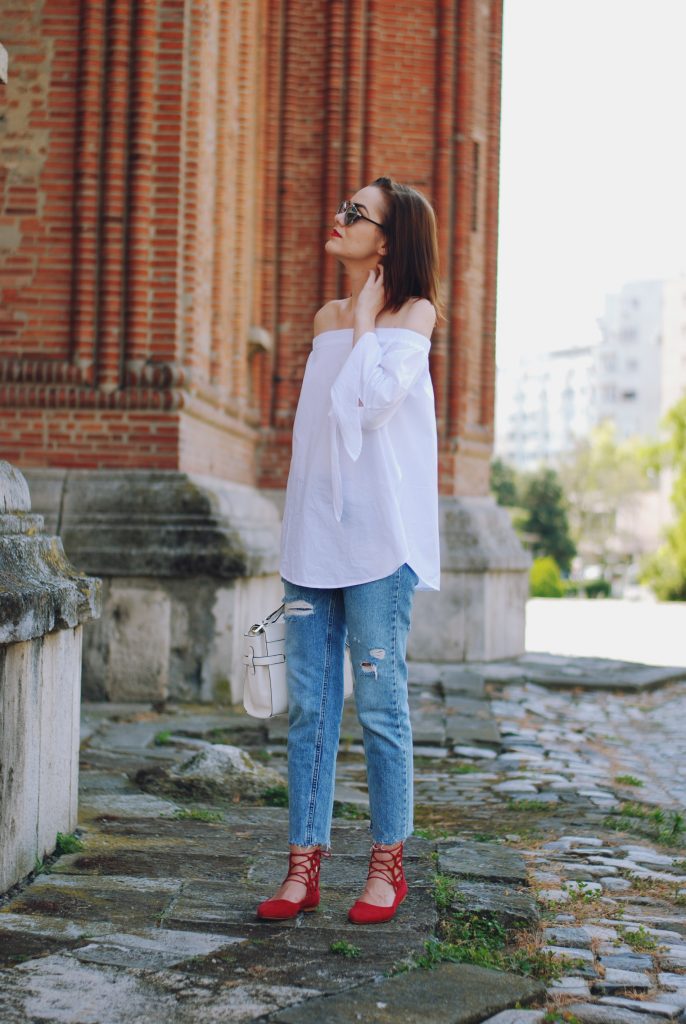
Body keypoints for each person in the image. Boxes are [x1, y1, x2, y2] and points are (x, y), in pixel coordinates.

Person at [256, 175, 442, 925]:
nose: (338, 219)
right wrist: (293, 526)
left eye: (354, 214)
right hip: (314, 540)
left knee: (380, 706)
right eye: (343, 207)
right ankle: (303, 867)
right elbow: (314, 443)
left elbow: (367, 410)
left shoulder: (413, 316)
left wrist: (368, 320)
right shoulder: (321, 317)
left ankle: (387, 866)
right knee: (309, 706)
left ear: (387, 241)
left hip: (378, 544)